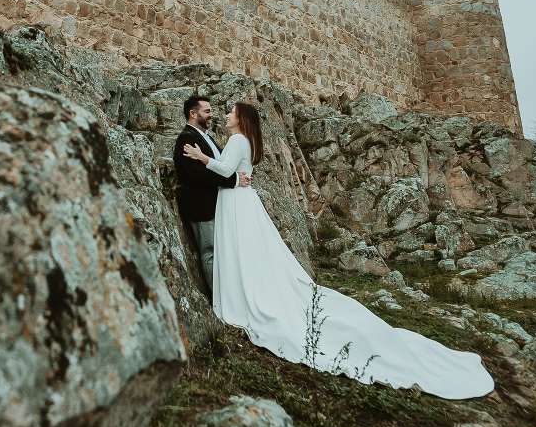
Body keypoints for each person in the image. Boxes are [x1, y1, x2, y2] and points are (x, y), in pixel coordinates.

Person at [183, 102, 494, 400]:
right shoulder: (244, 140)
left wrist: (200, 156)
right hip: (241, 199)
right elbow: (234, 174)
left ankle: (244, 299)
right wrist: (234, 175)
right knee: (247, 252)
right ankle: (248, 292)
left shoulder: (237, 139)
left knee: (241, 250)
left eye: (231, 113)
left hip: (237, 203)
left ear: (242, 119)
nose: (225, 115)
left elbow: (224, 171)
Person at [173, 96, 251, 294]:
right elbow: (199, 173)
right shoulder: (186, 138)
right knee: (210, 252)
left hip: (216, 204)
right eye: (207, 111)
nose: (211, 114)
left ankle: (231, 295)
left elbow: (219, 167)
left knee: (224, 252)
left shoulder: (206, 137)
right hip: (202, 206)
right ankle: (219, 300)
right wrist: (234, 180)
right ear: (193, 114)